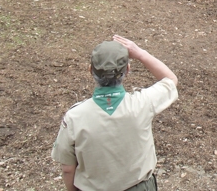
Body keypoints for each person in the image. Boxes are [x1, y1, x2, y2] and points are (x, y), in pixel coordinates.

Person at [51, 35, 178, 191]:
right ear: (128, 70)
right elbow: (170, 80)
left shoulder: (74, 117)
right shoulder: (143, 103)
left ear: (90, 70)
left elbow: (68, 168)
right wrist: (140, 53)